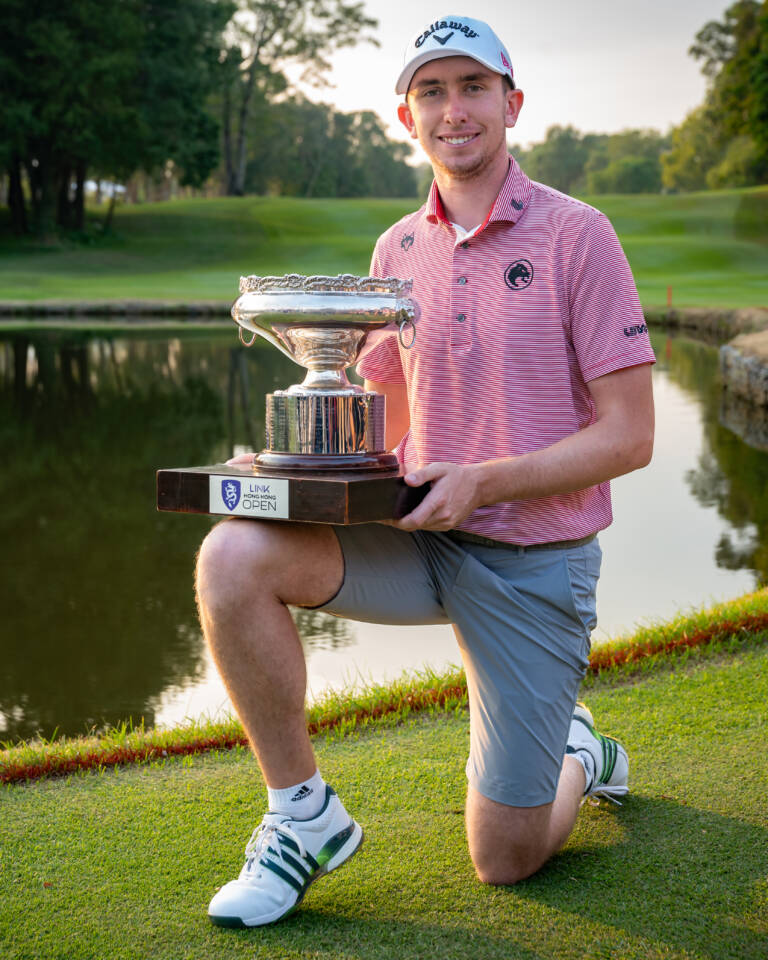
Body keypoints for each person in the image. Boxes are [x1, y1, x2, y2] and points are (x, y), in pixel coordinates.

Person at [196, 13, 655, 929]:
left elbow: (631, 436)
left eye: (473, 87)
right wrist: (285, 465)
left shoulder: (579, 236)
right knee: (233, 555)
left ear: (511, 103)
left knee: (506, 858)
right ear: (406, 116)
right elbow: (386, 422)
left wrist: (485, 479)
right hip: (414, 536)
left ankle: (578, 752)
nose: (455, 110)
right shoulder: (398, 252)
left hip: (532, 560)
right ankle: (302, 817)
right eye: (433, 92)